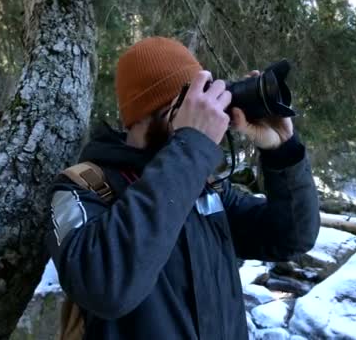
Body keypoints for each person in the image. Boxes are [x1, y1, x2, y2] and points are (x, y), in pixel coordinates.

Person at [46, 36, 320, 340]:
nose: (201, 114)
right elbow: (106, 288)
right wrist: (191, 146)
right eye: (186, 105)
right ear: (143, 116)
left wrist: (282, 152)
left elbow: (291, 237)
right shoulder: (84, 188)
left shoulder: (206, 190)